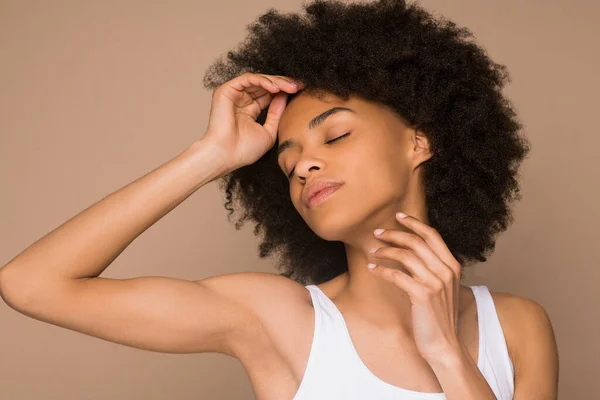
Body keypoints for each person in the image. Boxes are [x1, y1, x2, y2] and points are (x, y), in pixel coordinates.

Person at [0, 0, 558, 399]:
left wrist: (446, 355)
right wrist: (212, 155)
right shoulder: (277, 320)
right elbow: (31, 285)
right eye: (288, 164)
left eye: (335, 135)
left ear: (420, 140)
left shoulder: (516, 326)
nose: (305, 165)